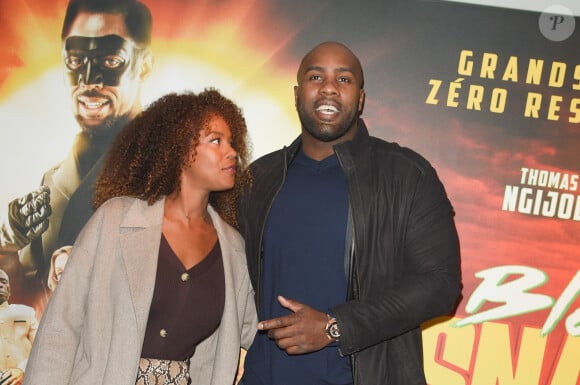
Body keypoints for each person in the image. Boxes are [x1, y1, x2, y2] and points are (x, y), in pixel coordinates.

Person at [237, 41, 462, 385]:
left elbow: (441, 285)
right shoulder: (259, 179)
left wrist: (336, 326)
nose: (328, 87)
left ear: (360, 99)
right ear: (297, 94)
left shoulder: (406, 175)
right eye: (316, 77)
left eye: (343, 80)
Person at [22, 90, 258, 385]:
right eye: (216, 140)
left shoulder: (233, 249)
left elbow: (254, 330)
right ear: (180, 148)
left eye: (233, 142)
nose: (232, 152)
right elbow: (61, 328)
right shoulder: (114, 220)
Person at [0, 0, 153, 289]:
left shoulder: (175, 168)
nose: (88, 80)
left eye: (110, 61)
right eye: (75, 61)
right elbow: (31, 302)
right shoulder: (52, 181)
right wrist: (8, 250)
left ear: (144, 65)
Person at [0, 269, 38, 385]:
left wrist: (23, 370)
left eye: (3, 281)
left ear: (9, 289)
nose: (0, 285)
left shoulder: (27, 312)